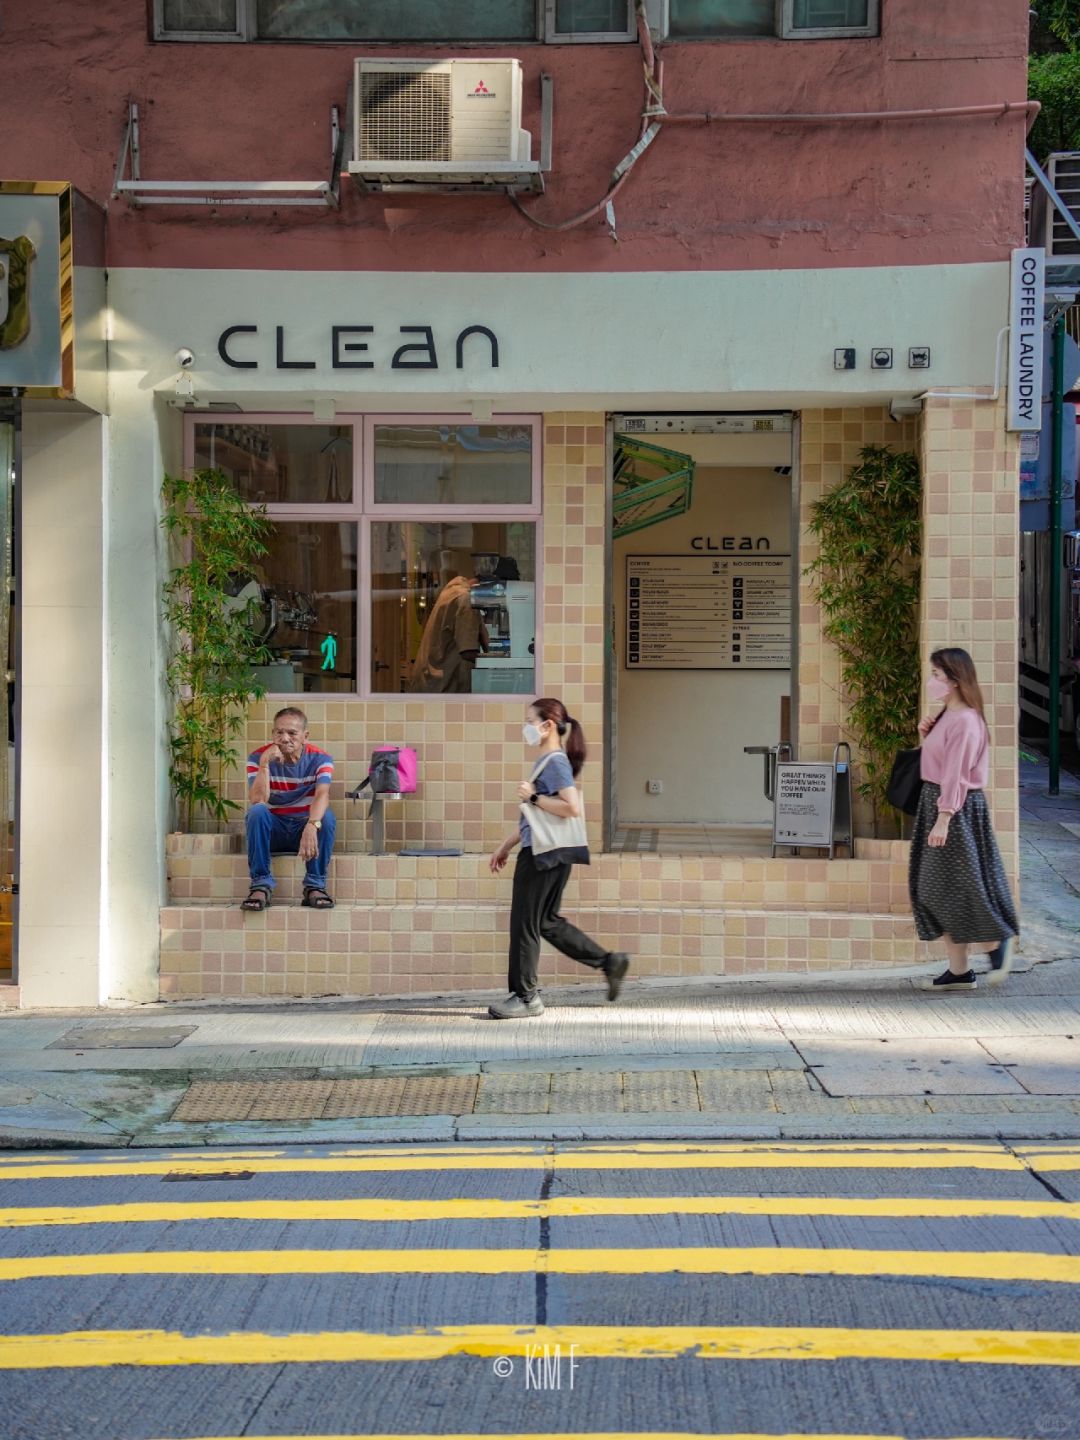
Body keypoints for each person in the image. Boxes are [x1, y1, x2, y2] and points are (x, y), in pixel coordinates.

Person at [488, 697, 630, 1018]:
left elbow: (570, 807)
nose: (526, 727)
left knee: (524, 924)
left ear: (548, 725)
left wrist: (533, 797)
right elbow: (537, 817)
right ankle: (610, 962)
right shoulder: (550, 761)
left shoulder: (554, 762)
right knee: (546, 922)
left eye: (530, 721)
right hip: (551, 852)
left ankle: (525, 997)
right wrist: (506, 845)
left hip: (541, 856)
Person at [910, 648, 1018, 991]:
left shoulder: (966, 721)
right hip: (941, 803)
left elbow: (956, 774)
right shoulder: (949, 716)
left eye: (937, 675)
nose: (932, 681)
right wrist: (929, 737)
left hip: (953, 808)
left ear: (955, 680)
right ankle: (959, 971)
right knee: (943, 888)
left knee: (942, 888)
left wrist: (944, 818)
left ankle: (995, 942)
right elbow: (944, 763)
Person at [240, 706, 336, 911]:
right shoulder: (257, 757)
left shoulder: (321, 759)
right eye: (279, 732)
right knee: (256, 812)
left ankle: (315, 886)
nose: (285, 738)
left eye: (292, 733)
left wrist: (312, 825)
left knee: (326, 817)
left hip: (305, 835)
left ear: (305, 736)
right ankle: (260, 885)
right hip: (273, 833)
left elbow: (322, 794)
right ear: (272, 734)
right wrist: (264, 765)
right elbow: (258, 799)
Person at [409, 571, 489, 693]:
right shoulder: (466, 599)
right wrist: (496, 662)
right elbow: (468, 652)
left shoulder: (452, 592)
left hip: (428, 681)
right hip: (441, 686)